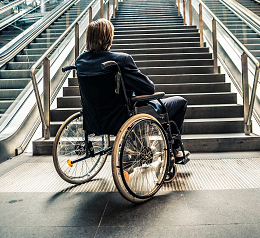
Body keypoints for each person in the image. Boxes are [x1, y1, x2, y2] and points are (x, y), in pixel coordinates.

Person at [75, 18, 190, 160]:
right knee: (180, 102)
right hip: (123, 115)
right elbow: (148, 88)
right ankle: (174, 150)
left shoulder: (80, 61)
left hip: (94, 117)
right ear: (108, 38)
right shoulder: (120, 60)